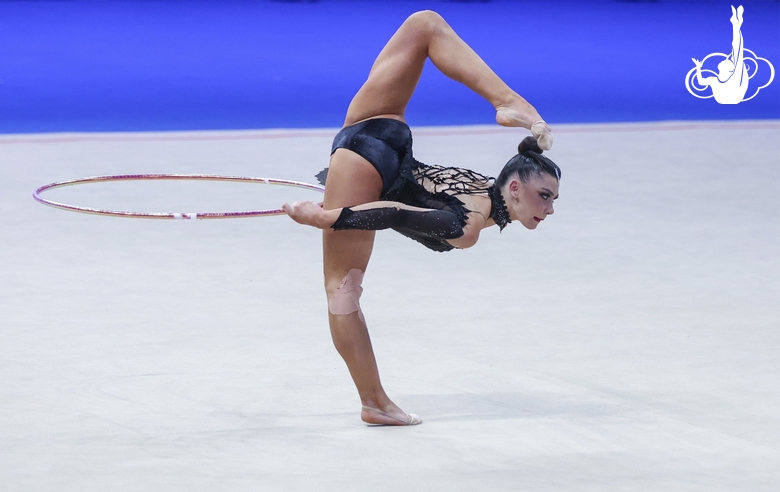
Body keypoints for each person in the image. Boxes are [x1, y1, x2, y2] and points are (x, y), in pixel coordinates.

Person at [282, 11, 561, 426]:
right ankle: (374, 402)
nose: (550, 210)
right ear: (515, 189)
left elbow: (399, 209)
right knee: (343, 291)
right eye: (545, 197)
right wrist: (328, 218)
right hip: (371, 166)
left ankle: (508, 101)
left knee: (425, 24)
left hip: (382, 131)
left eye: (553, 200)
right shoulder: (466, 229)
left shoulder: (487, 186)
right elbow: (392, 213)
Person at [692, 5, 748, 104]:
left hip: (733, 97)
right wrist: (698, 67)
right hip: (726, 98)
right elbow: (701, 82)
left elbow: (738, 49)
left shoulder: (734, 76)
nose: (724, 59)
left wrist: (736, 26)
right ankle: (736, 24)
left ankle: (736, 24)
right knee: (737, 52)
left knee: (737, 51)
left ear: (729, 69)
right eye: (726, 60)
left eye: (726, 61)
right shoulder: (714, 80)